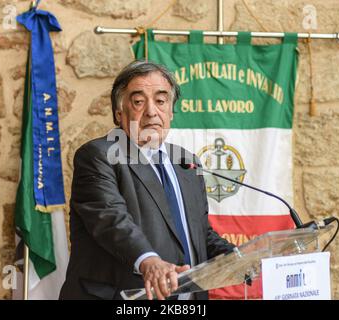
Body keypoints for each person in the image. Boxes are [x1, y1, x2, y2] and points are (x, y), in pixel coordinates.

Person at [59, 60, 235, 300]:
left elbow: (199, 233)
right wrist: (148, 261)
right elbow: (112, 221)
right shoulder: (98, 156)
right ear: (119, 114)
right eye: (139, 102)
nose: (152, 111)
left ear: (171, 111)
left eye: (161, 101)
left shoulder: (186, 161)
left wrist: (239, 257)